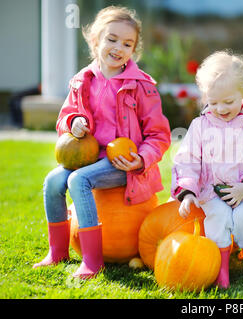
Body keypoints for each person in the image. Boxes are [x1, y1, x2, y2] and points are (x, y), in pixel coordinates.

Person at [33, 6, 171, 279]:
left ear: (134, 50)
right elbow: (64, 119)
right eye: (111, 39)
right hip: (88, 159)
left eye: (127, 43)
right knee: (53, 181)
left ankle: (93, 260)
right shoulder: (81, 82)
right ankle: (57, 251)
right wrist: (73, 123)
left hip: (123, 164)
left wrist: (141, 159)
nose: (118, 47)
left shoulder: (142, 86)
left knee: (78, 181)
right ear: (95, 40)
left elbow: (159, 135)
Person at [171, 50, 243, 289]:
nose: (220, 108)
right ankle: (221, 269)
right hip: (211, 190)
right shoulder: (200, 126)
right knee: (217, 219)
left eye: (228, 102)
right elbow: (187, 159)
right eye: (213, 102)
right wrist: (188, 191)